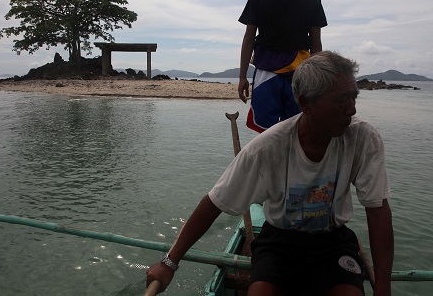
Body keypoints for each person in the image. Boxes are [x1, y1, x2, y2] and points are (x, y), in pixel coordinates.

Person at [146, 51, 394, 296]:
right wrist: (169, 263)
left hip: (333, 242)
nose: (351, 110)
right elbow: (214, 203)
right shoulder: (267, 148)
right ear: (306, 103)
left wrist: (383, 286)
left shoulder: (362, 138)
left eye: (354, 97)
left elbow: (377, 210)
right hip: (280, 243)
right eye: (341, 100)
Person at [238, 0, 328, 133]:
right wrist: (316, 79)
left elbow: (248, 38)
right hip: (300, 73)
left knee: (266, 132)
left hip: (266, 73)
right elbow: (316, 44)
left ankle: (268, 162)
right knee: (297, 129)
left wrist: (242, 77)